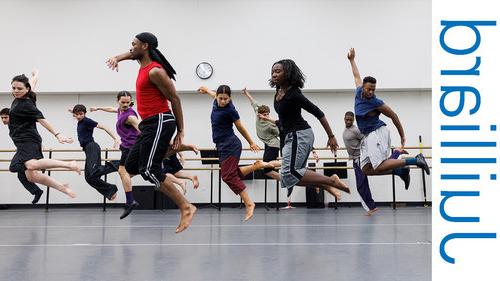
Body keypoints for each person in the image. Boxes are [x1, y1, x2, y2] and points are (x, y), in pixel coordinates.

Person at [106, 32, 196, 233]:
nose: (130, 48)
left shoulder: (155, 71)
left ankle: (186, 206)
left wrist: (181, 130)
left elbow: (175, 99)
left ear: (145, 46)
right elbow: (131, 55)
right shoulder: (142, 65)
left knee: (148, 170)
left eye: (134, 44)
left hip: (161, 121)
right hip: (149, 125)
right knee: (130, 166)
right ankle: (169, 152)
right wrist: (117, 58)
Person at [269, 59, 350, 200]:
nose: (274, 74)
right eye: (272, 72)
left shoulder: (294, 94)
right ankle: (327, 184)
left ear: (287, 73)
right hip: (290, 136)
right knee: (286, 177)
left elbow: (318, 112)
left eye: (278, 71)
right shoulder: (278, 91)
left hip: (299, 134)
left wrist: (331, 136)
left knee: (290, 172)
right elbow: (284, 120)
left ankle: (331, 181)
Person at [347, 48, 430, 179]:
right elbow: (356, 75)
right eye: (369, 89)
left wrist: (402, 135)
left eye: (373, 90)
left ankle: (415, 160)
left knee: (379, 165)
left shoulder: (375, 102)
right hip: (367, 136)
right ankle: (400, 172)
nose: (371, 92)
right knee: (366, 169)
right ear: (363, 87)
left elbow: (393, 115)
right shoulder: (358, 92)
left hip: (377, 132)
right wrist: (352, 60)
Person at [198, 85, 274, 221]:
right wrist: (206, 89)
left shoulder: (231, 110)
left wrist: (251, 142)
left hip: (231, 145)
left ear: (230, 98)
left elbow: (241, 128)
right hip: (221, 146)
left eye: (225, 99)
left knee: (227, 176)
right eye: (220, 98)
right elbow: (213, 94)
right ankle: (256, 166)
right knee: (230, 174)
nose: (222, 101)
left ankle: (249, 203)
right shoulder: (216, 100)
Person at [9, 73, 80, 199]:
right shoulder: (23, 98)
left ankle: (69, 164)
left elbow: (42, 120)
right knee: (31, 176)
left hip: (28, 139)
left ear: (27, 89)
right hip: (20, 142)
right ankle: (63, 187)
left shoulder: (27, 105)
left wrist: (57, 135)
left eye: (19, 89)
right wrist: (35, 75)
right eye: (14, 88)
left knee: (31, 164)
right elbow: (33, 82)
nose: (16, 91)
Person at [90, 91, 141, 219]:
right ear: (118, 101)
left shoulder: (130, 116)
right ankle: (144, 170)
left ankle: (130, 201)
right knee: (125, 174)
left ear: (130, 101)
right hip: (126, 147)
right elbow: (113, 109)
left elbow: (143, 129)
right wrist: (99, 108)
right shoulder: (120, 110)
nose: (125, 105)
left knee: (122, 171)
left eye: (127, 102)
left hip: (131, 147)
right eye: (122, 102)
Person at [68, 104, 119, 201]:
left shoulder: (87, 121)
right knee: (89, 177)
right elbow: (76, 113)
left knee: (94, 171)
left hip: (92, 147)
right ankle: (110, 189)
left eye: (81, 114)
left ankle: (118, 164)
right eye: (76, 114)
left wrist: (115, 139)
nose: (79, 116)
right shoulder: (79, 118)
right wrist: (72, 111)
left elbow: (104, 127)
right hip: (87, 150)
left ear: (85, 113)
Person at [1, 107, 44, 204]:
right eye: (2, 118)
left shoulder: (19, 122)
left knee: (13, 167)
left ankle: (37, 164)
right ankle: (37, 191)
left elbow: (32, 125)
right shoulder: (11, 126)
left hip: (28, 147)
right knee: (21, 175)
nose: (3, 120)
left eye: (6, 117)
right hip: (22, 148)